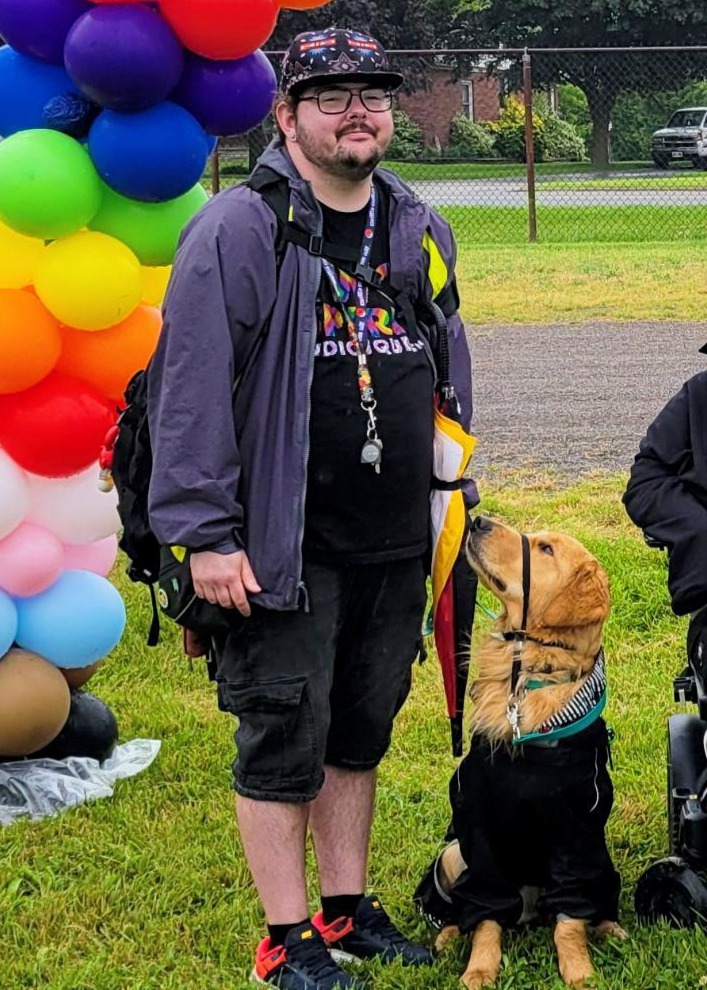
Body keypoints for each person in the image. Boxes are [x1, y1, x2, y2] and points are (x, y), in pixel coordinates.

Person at [147, 27, 475, 990]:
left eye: (371, 92)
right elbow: (191, 394)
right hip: (281, 542)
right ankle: (283, 938)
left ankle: (343, 910)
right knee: (284, 732)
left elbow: (447, 364)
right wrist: (203, 536)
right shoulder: (236, 230)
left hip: (392, 538)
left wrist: (453, 492)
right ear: (286, 117)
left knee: (358, 729)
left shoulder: (417, 224)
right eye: (327, 94)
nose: (356, 109)